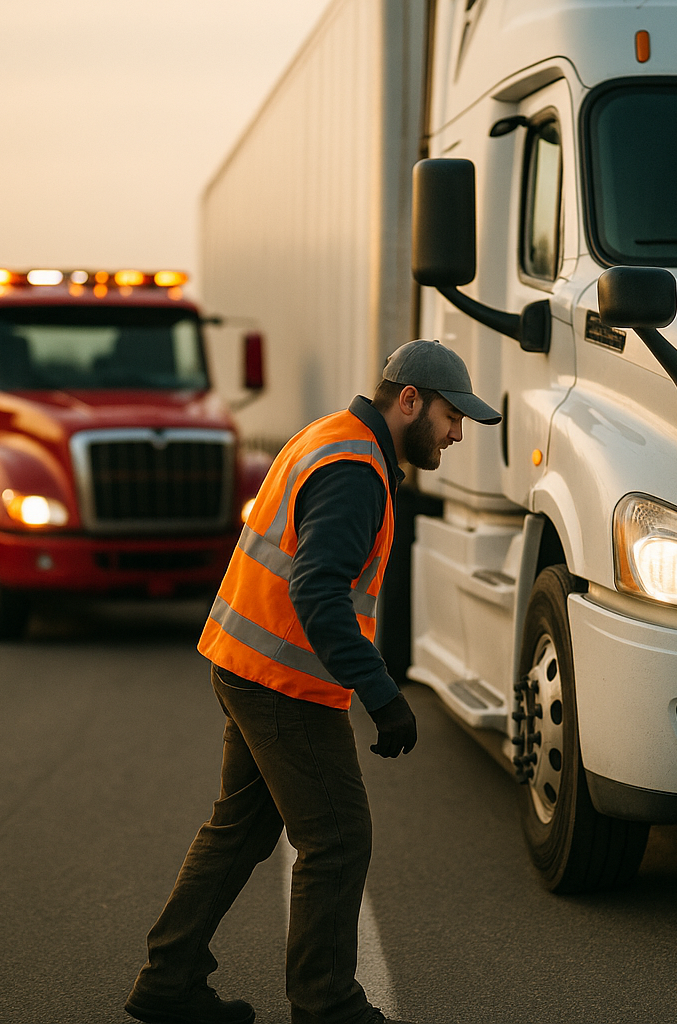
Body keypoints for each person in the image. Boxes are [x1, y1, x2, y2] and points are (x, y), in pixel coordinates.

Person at [125, 340, 501, 1024]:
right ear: (409, 399)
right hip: (282, 681)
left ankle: (169, 980)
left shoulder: (333, 435)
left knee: (238, 831)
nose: (456, 433)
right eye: (452, 416)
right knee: (336, 838)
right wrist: (382, 695)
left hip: (247, 663)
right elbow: (320, 590)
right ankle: (326, 1005)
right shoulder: (356, 468)